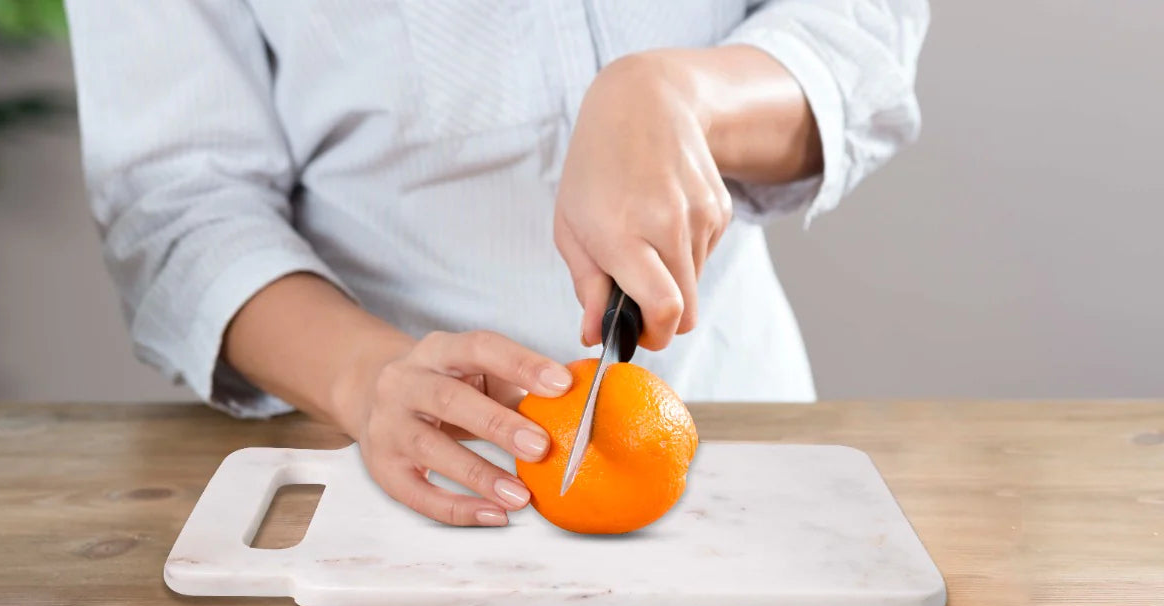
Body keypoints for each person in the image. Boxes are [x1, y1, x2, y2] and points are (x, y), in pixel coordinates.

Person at [66, 2, 927, 527]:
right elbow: (177, 200)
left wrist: (682, 94)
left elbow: (858, 25)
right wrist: (368, 381)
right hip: (380, 477)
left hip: (739, 430)